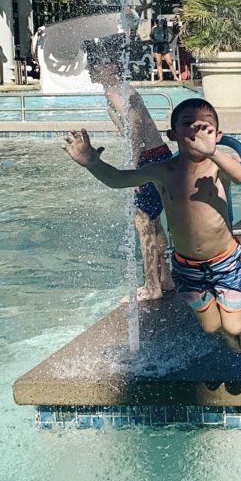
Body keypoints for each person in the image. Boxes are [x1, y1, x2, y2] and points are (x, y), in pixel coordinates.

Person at [63, 98, 241, 353]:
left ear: (217, 134)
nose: (197, 130)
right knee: (211, 328)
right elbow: (119, 179)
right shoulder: (163, 171)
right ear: (173, 134)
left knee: (232, 328)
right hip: (188, 267)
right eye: (188, 124)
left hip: (224, 261)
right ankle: (234, 327)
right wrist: (92, 163)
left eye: (205, 126)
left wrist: (214, 152)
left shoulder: (219, 165)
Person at [85, 35, 173, 301]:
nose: (91, 69)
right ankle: (165, 278)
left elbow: (135, 128)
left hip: (147, 158)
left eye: (96, 64)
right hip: (158, 154)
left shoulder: (116, 91)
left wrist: (134, 166)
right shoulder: (122, 88)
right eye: (90, 64)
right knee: (153, 221)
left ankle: (151, 285)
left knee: (142, 222)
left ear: (112, 67)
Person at [150, 15, 179, 81]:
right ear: (158, 21)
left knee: (170, 62)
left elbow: (173, 34)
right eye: (161, 20)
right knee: (159, 62)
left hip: (165, 46)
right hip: (157, 46)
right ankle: (161, 77)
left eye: (163, 20)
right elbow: (151, 36)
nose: (162, 22)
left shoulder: (166, 28)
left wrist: (170, 41)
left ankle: (175, 76)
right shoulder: (154, 28)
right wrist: (154, 42)